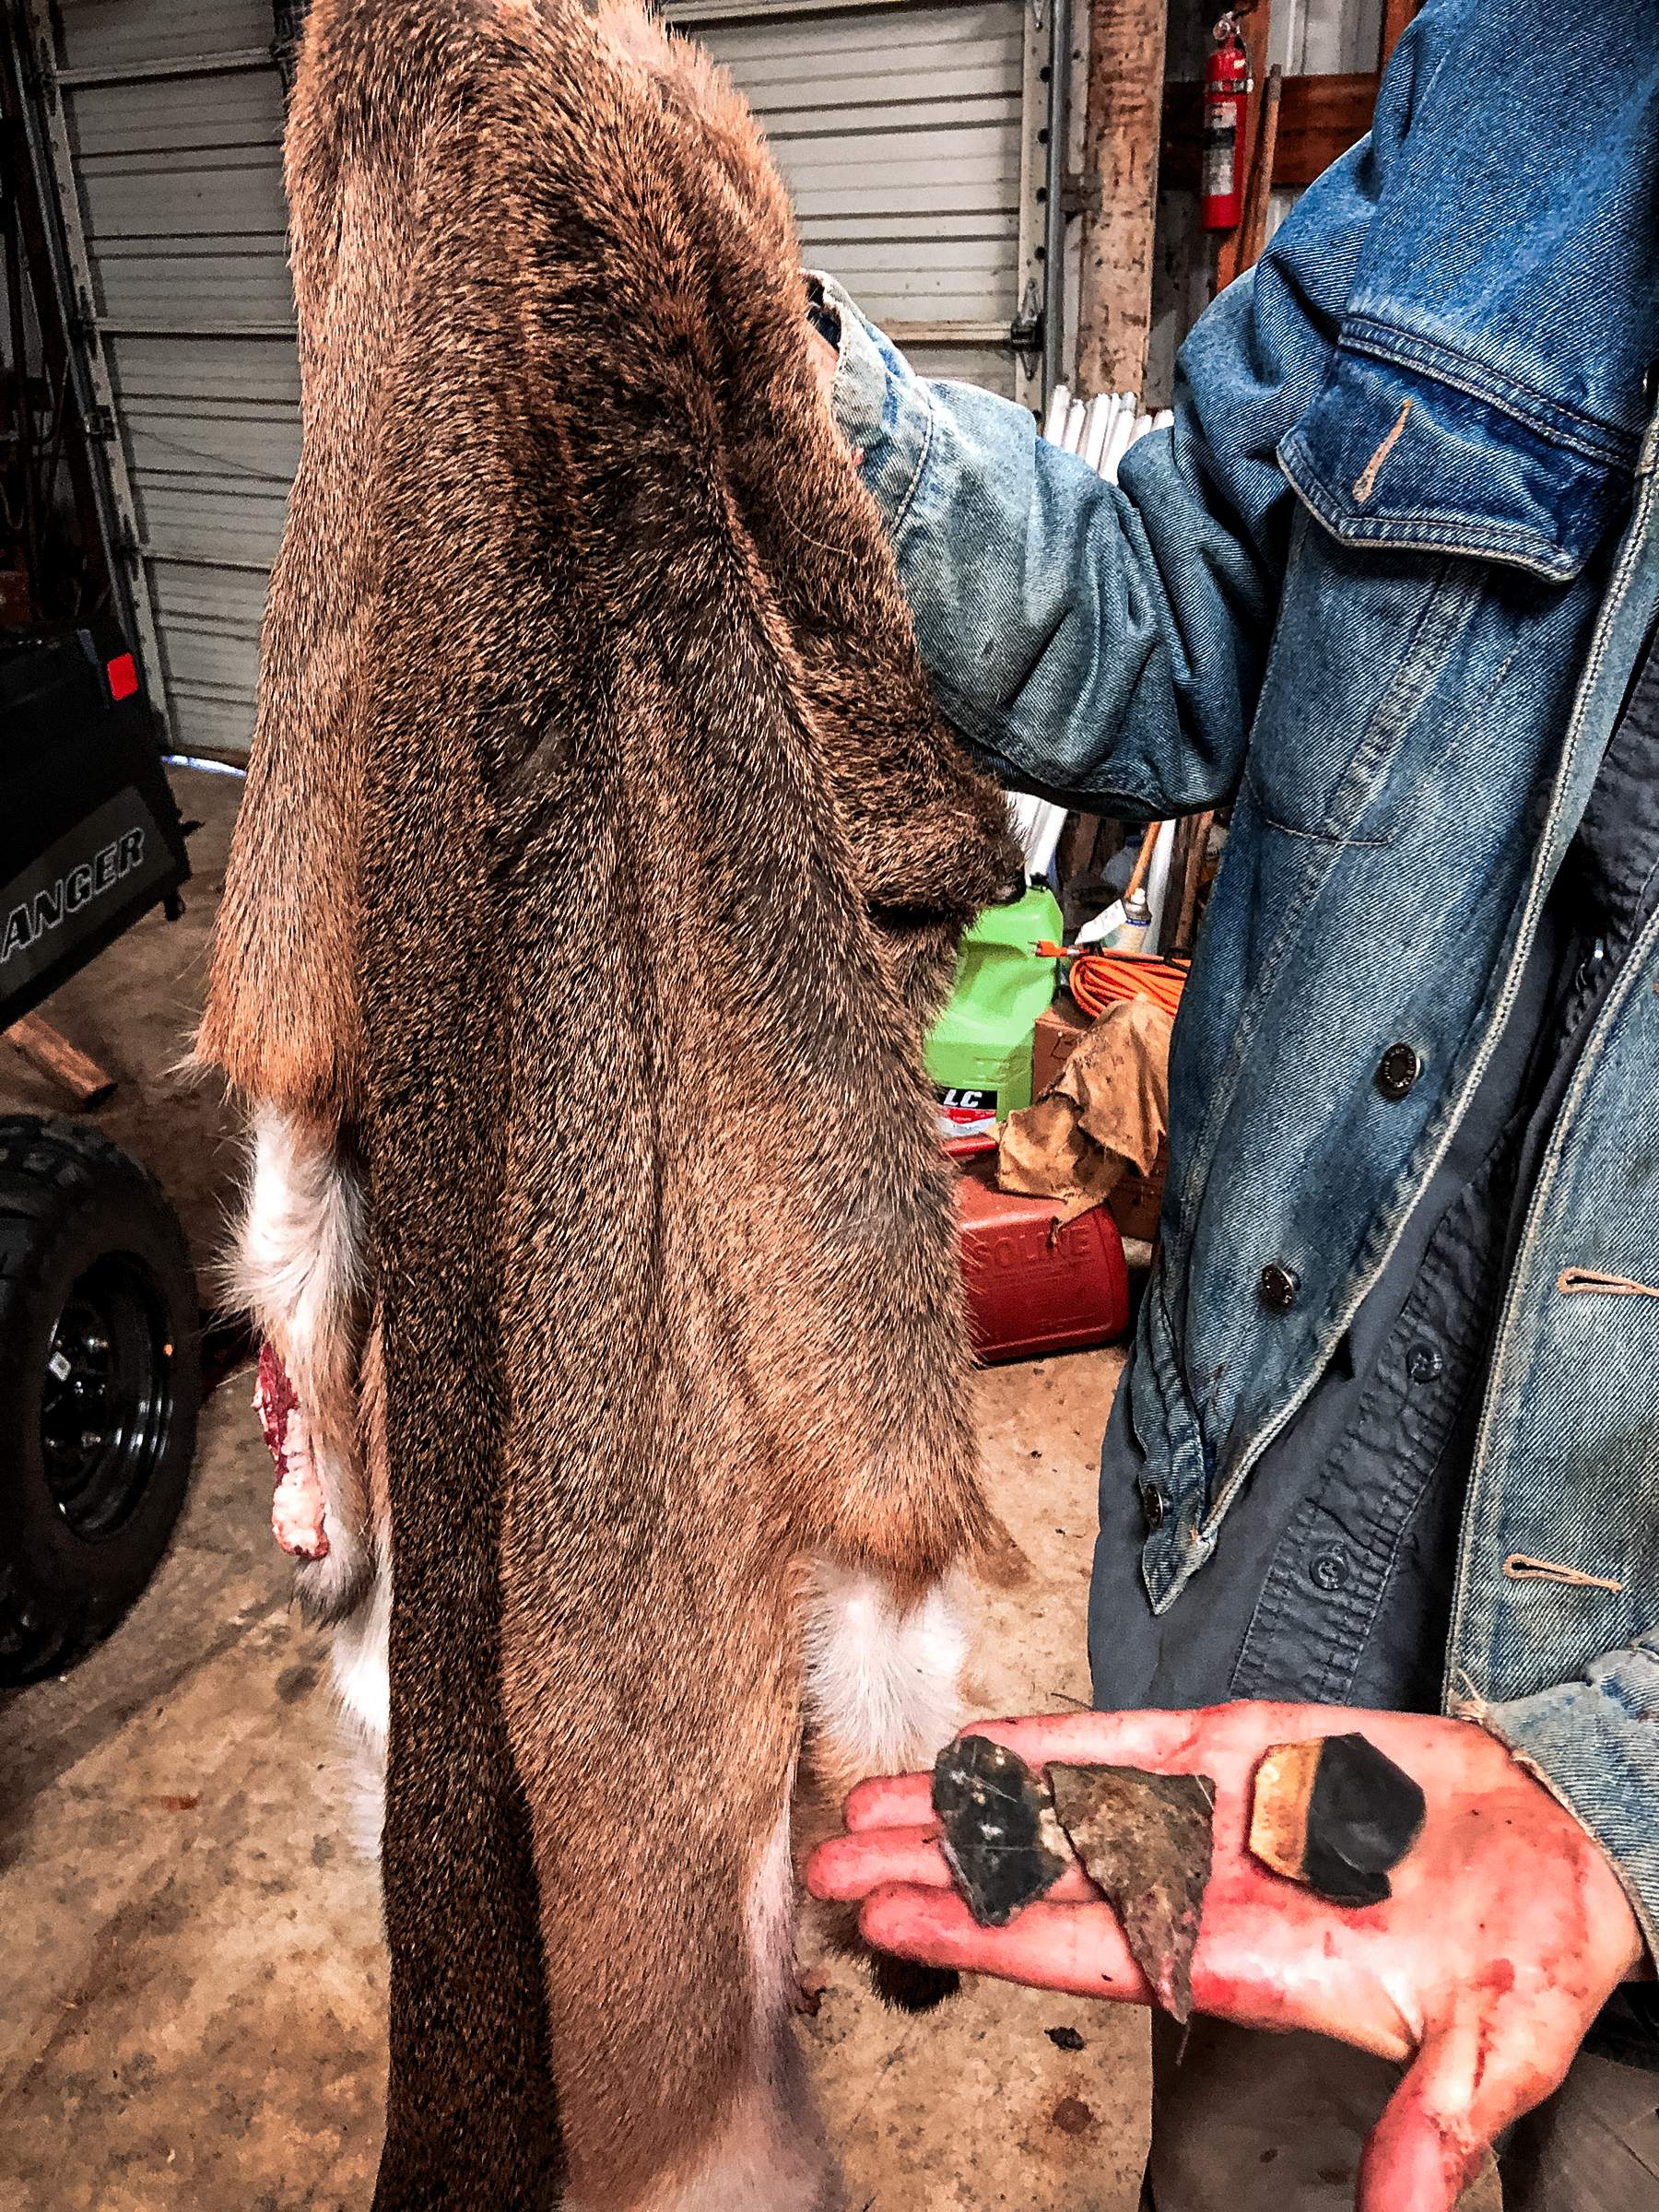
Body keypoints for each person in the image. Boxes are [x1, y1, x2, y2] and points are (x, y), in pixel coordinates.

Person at [802, 3, 1659, 2206]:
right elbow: (1159, 609)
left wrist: (1629, 1788)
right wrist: (783, 381)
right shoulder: (1523, 76)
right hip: (1280, 1613)